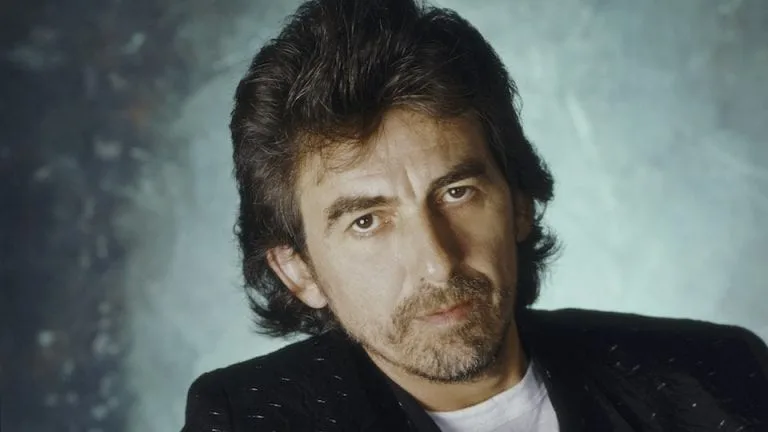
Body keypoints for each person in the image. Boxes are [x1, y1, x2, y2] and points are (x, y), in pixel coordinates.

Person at [181, 0, 768, 430]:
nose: (437, 262)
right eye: (367, 221)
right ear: (298, 270)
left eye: (456, 192)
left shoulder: (718, 375)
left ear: (519, 201)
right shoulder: (249, 419)